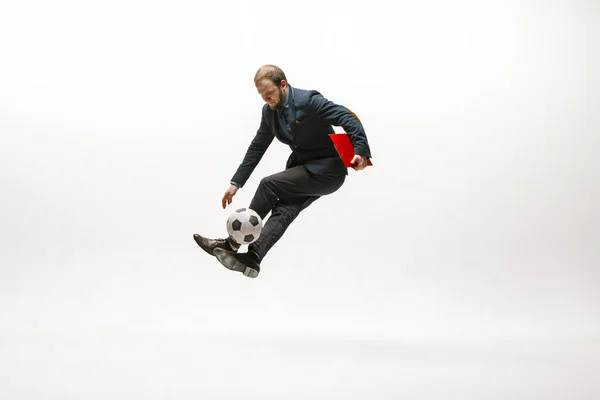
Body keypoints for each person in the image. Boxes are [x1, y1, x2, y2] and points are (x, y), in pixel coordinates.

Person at [193, 64, 372, 278]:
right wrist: (236, 183)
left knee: (269, 185)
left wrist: (360, 150)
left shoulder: (309, 100)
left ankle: (232, 244)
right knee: (284, 209)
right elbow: (258, 146)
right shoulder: (269, 113)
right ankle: (253, 257)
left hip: (328, 170)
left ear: (283, 85)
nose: (266, 99)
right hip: (305, 169)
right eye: (262, 96)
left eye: (269, 93)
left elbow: (347, 117)